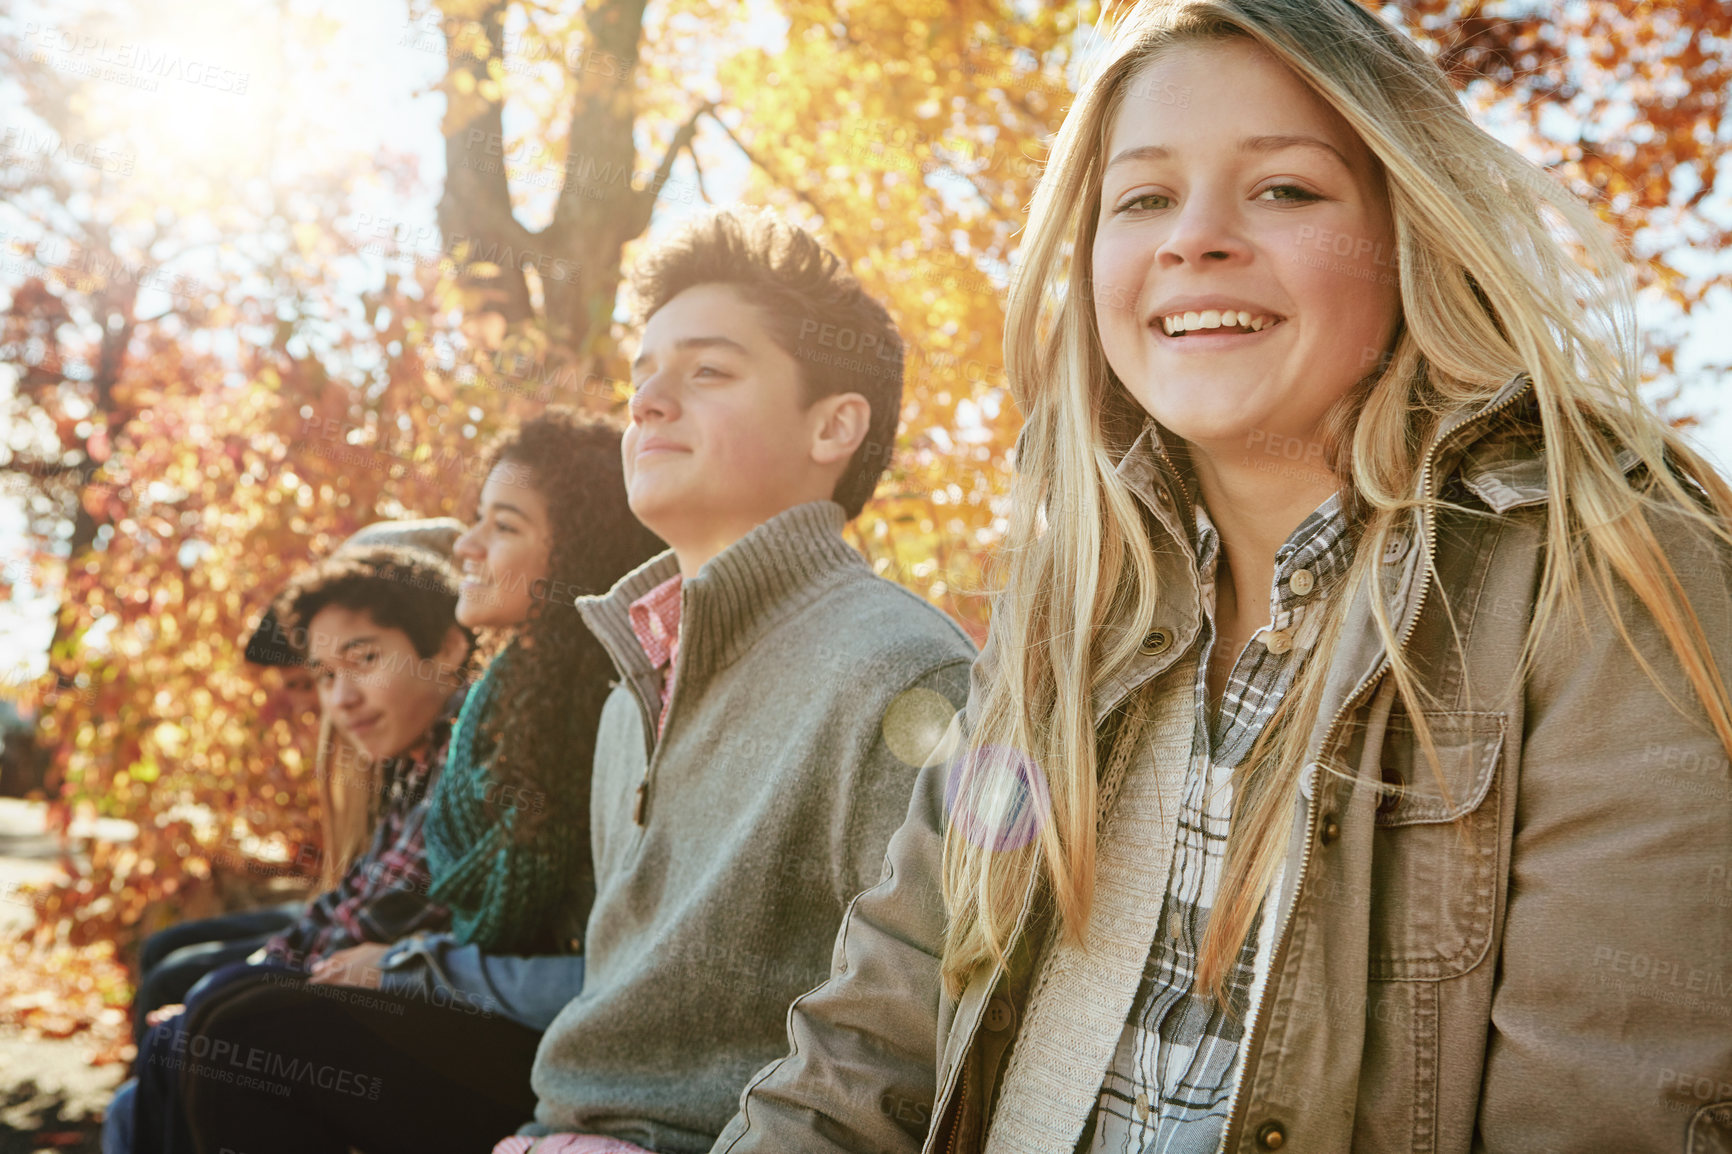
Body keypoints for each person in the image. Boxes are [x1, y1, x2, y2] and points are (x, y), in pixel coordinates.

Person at [710, 3, 1732, 1152]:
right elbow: (870, 1048)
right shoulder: (1055, 622)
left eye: (1286, 190)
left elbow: (1611, 1106)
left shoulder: (1608, 577)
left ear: (1411, 232)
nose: (1193, 239)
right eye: (1142, 198)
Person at [493, 209, 977, 1154]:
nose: (646, 402)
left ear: (834, 424)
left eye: (707, 372)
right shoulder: (629, 688)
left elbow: (911, 1041)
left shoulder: (910, 675)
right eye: (641, 377)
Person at [174, 411, 664, 1154]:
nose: (467, 545)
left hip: (576, 1055)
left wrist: (408, 970)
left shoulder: (608, 714)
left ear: (580, 548)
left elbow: (619, 976)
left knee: (244, 1031)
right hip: (491, 1010)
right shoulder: (513, 698)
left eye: (502, 525)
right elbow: (365, 891)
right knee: (220, 1010)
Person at [109, 543, 474, 1154]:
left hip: (448, 1024)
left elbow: (391, 912)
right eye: (327, 676)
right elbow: (345, 901)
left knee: (210, 1025)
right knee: (186, 1018)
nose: (340, 699)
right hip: (381, 985)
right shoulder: (413, 755)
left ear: (449, 647)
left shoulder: (467, 750)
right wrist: (254, 972)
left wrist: (240, 989)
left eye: (364, 660)